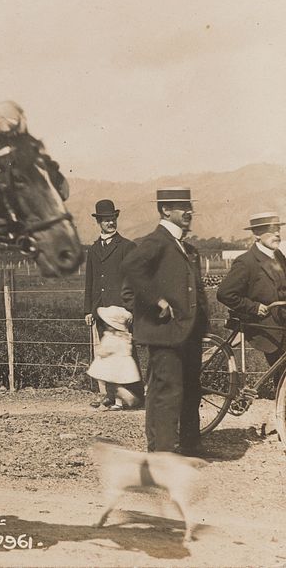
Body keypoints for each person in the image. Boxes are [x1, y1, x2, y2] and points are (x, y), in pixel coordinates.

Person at [121, 187, 208, 456]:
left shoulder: (185, 246)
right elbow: (131, 268)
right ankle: (163, 454)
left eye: (190, 207)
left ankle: (191, 447)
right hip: (164, 333)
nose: (189, 212)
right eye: (182, 207)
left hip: (187, 332)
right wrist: (156, 300)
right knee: (166, 394)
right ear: (165, 210)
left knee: (192, 390)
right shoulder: (156, 241)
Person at [217, 212, 286, 389]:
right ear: (256, 234)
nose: (277, 234)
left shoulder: (278, 257)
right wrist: (254, 307)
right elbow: (225, 293)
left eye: (278, 229)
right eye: (271, 230)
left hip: (283, 321)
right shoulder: (246, 262)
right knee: (283, 374)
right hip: (266, 326)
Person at [83, 199, 141, 409]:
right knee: (106, 351)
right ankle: (110, 395)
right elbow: (90, 281)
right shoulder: (93, 249)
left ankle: (133, 396)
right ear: (98, 222)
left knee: (125, 352)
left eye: (112, 219)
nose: (110, 223)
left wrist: (132, 308)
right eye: (106, 220)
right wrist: (88, 310)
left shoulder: (126, 247)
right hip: (101, 309)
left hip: (120, 309)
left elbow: (135, 279)